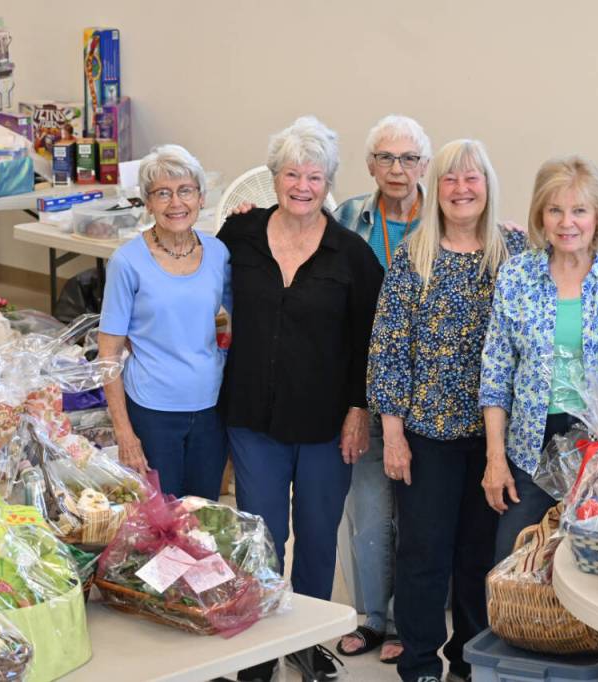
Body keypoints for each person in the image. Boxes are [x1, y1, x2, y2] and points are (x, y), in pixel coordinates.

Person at [218, 116, 384, 682]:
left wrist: (359, 411)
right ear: (274, 178)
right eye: (292, 174)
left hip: (325, 424)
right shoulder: (239, 235)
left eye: (314, 176)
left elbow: (369, 341)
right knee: (260, 538)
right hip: (252, 417)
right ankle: (258, 652)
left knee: (316, 539)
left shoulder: (351, 255)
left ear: (329, 182)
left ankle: (307, 644)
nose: (302, 186)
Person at [368, 139, 524, 682]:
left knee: (480, 556)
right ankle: (418, 663)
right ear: (436, 190)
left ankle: (469, 660)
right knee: (423, 554)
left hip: (495, 438)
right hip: (427, 436)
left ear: (488, 186)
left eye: (471, 178)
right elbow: (388, 351)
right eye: (451, 180)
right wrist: (393, 436)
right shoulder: (414, 256)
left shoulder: (515, 253)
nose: (461, 189)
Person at [479, 155, 598, 563]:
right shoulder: (516, 276)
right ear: (540, 216)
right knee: (513, 563)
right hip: (532, 446)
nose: (567, 223)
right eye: (555, 210)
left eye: (579, 211)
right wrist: (495, 460)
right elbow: (495, 375)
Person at [332, 114, 432, 665]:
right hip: (364, 383)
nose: (398, 169)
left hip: (430, 388)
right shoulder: (348, 218)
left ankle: (404, 620)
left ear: (424, 166)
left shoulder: (444, 218)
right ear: (370, 165)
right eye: (387, 158)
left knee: (417, 513)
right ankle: (371, 616)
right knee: (368, 507)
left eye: (409, 158)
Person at [98, 144, 230, 499]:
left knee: (203, 514)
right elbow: (108, 354)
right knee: (160, 518)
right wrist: (124, 433)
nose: (176, 203)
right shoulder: (127, 262)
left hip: (211, 408)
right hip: (152, 411)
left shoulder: (218, 254)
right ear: (148, 202)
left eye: (185, 190)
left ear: (201, 197)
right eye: (162, 193)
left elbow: (239, 320)